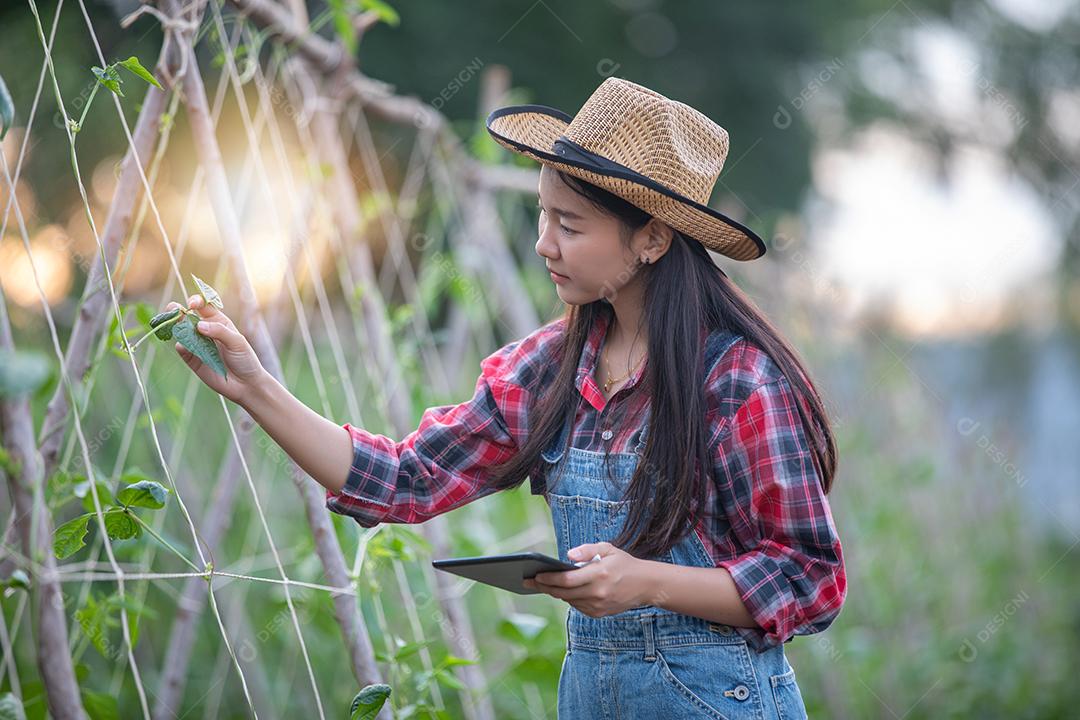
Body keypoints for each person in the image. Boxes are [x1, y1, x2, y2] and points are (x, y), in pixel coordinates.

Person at [171, 77, 845, 719]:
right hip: (589, 700)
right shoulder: (549, 370)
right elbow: (403, 479)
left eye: (570, 225)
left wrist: (643, 582)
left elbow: (811, 580)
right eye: (543, 215)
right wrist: (254, 386)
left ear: (653, 238)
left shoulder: (736, 381)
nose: (542, 243)